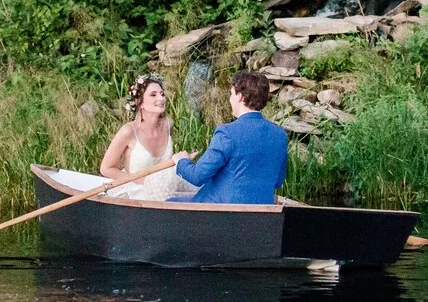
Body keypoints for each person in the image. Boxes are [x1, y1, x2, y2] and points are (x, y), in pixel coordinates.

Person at [173, 70, 288, 205]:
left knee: (171, 201)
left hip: (224, 215)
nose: (230, 99)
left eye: (231, 94)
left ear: (240, 96)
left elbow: (197, 176)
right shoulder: (280, 135)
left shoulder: (227, 133)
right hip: (262, 214)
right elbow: (278, 181)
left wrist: (181, 161)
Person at [100, 74, 195, 201]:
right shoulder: (129, 131)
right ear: (141, 103)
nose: (161, 98)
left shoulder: (168, 124)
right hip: (136, 190)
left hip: (166, 188)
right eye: (153, 95)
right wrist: (138, 180)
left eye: (162, 94)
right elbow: (106, 168)